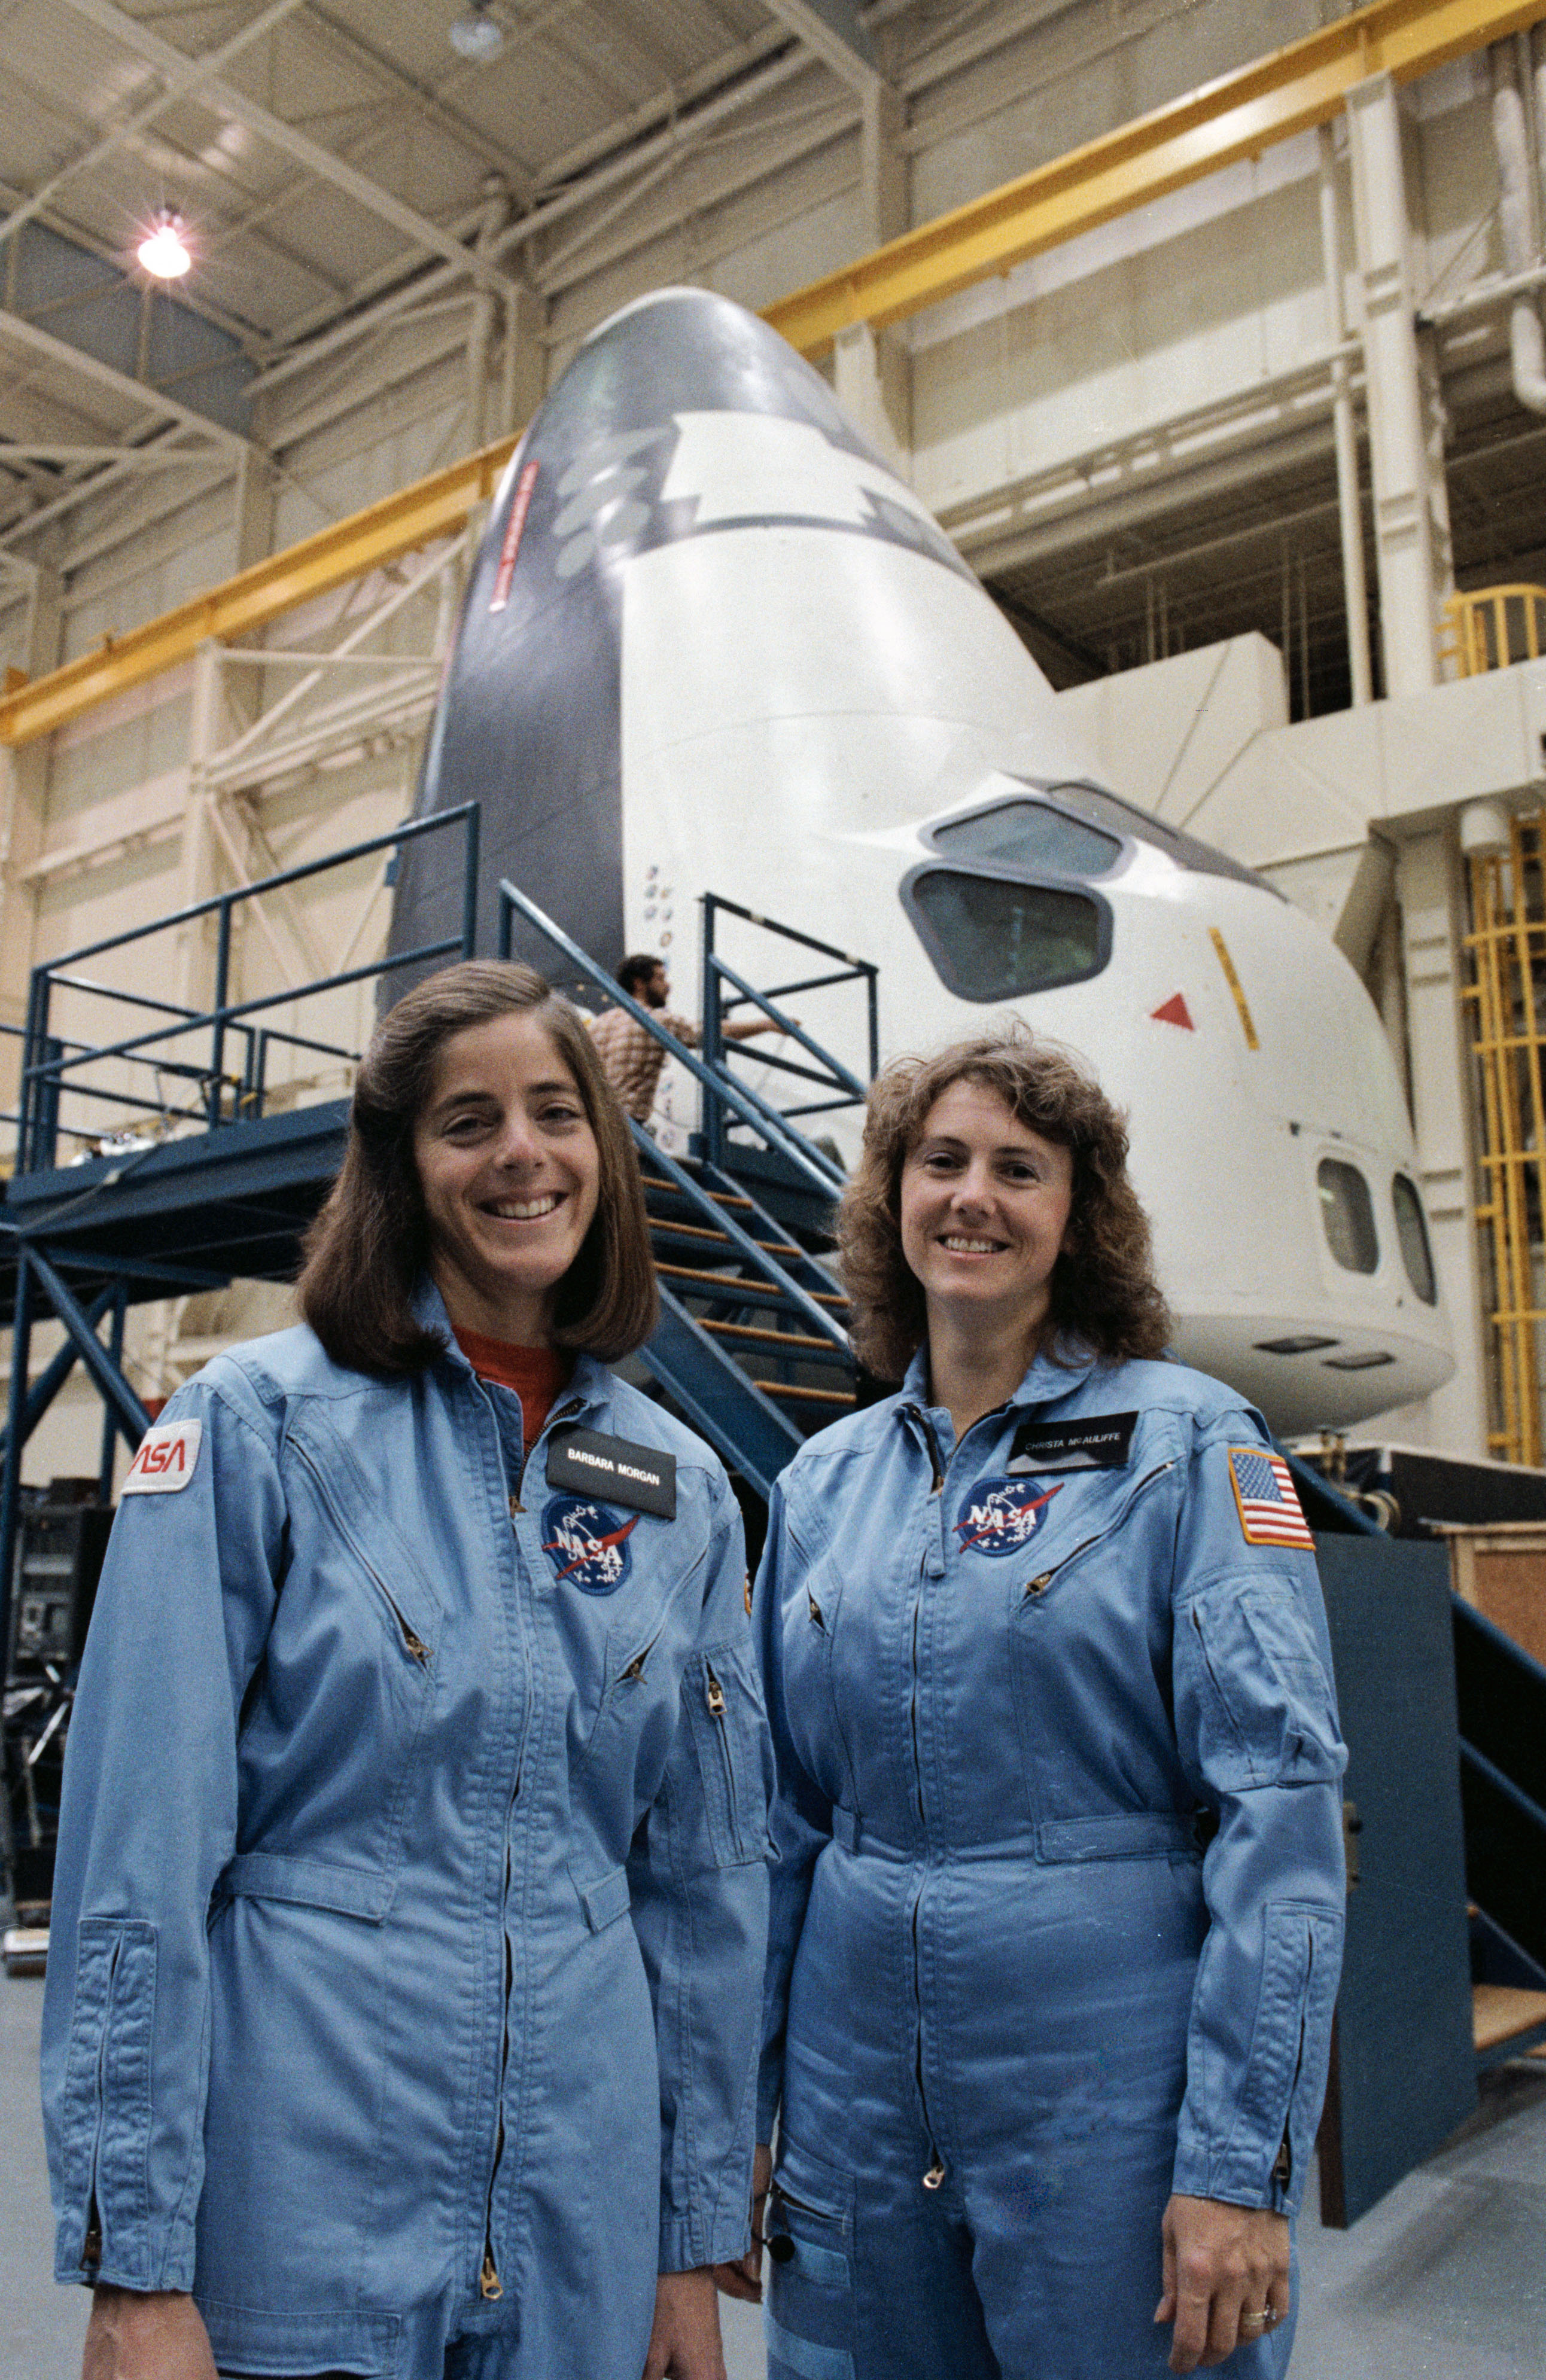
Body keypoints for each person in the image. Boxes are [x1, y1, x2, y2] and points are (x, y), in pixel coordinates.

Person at [42, 960, 773, 2380]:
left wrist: (685, 2241)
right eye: (468, 1120)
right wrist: (135, 2266)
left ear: (604, 1157)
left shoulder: (680, 1486)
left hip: (581, 2227)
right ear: (397, 1164)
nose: (522, 1152)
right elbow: (137, 1859)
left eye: (557, 1113)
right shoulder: (253, 1426)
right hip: (301, 2212)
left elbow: (706, 1884)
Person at [719, 1031, 1347, 2380]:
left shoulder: (1190, 1444)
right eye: (938, 1161)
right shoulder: (823, 1487)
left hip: (1105, 2103)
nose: (973, 1197)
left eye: (1020, 1168)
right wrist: (741, 2109)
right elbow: (775, 1827)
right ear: (891, 1198)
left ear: (1078, 1216)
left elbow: (1278, 1817)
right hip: (851, 2104)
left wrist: (1238, 2168)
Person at [589, 955, 785, 1126]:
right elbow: (708, 1032)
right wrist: (766, 1025)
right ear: (639, 984)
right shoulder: (655, 1020)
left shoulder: (597, 1025)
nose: (668, 986)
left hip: (592, 1120)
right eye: (660, 978)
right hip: (626, 1122)